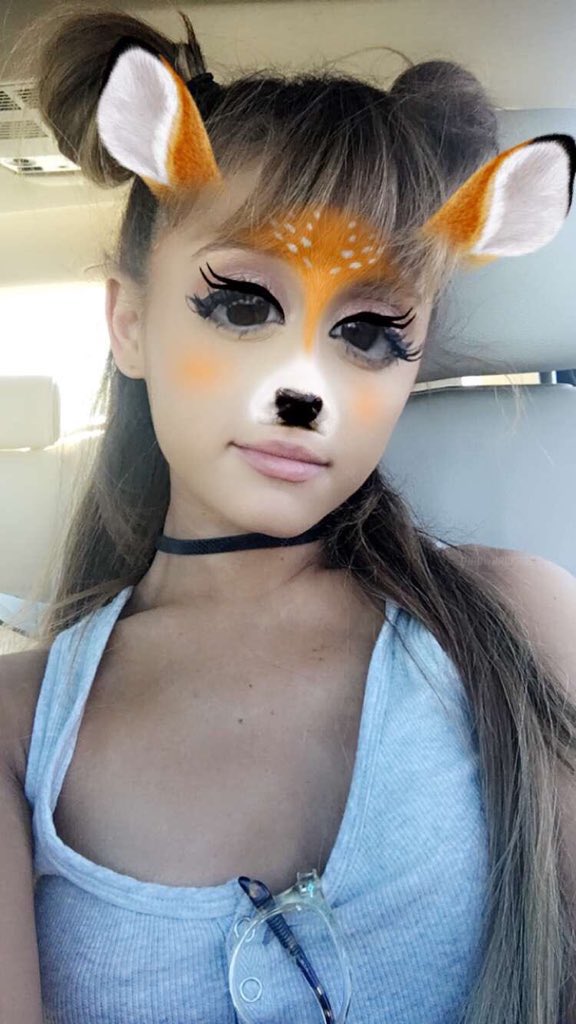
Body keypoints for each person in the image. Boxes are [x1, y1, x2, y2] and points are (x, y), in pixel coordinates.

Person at [3, 4, 576, 1022]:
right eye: (240, 305)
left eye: (370, 333)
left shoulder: (519, 624)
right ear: (128, 323)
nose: (303, 384)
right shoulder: (18, 727)